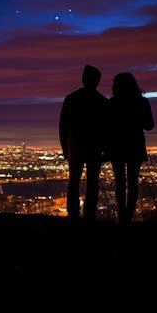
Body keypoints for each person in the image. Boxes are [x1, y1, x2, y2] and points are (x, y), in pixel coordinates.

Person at [59, 64, 109, 223]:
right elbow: (107, 128)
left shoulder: (71, 98)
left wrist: (64, 147)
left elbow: (63, 126)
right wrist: (105, 149)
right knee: (93, 182)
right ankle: (89, 215)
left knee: (74, 181)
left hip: (75, 145)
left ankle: (73, 215)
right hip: (95, 146)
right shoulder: (102, 101)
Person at [107, 72, 154, 224]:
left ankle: (122, 216)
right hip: (135, 145)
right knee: (132, 182)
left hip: (117, 146)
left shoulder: (112, 103)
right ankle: (128, 216)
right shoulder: (142, 102)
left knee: (120, 181)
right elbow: (149, 125)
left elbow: (105, 127)